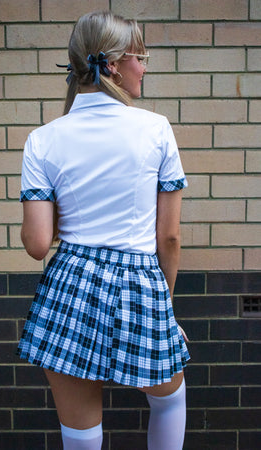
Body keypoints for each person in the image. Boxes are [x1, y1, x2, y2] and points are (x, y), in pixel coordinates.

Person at [17, 10, 190, 450]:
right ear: (112, 63)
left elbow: (38, 245)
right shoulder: (155, 129)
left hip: (70, 286)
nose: (144, 67)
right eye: (141, 56)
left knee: (80, 436)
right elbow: (168, 238)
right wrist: (164, 307)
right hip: (141, 284)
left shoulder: (43, 139)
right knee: (169, 402)